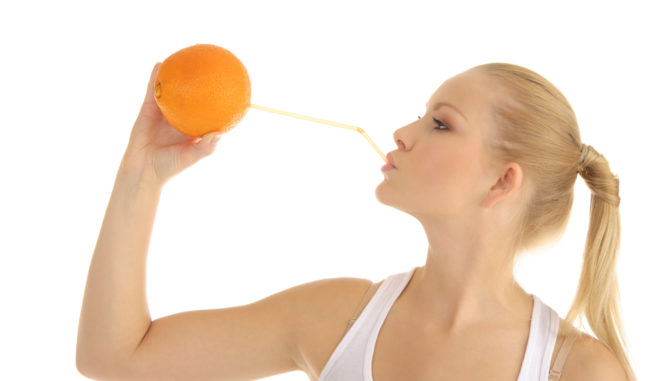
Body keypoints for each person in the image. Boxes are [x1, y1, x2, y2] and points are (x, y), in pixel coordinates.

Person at [76, 62, 635, 381]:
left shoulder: (577, 372)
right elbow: (114, 357)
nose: (403, 132)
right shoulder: (335, 317)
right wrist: (141, 175)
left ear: (501, 182)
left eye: (441, 123)